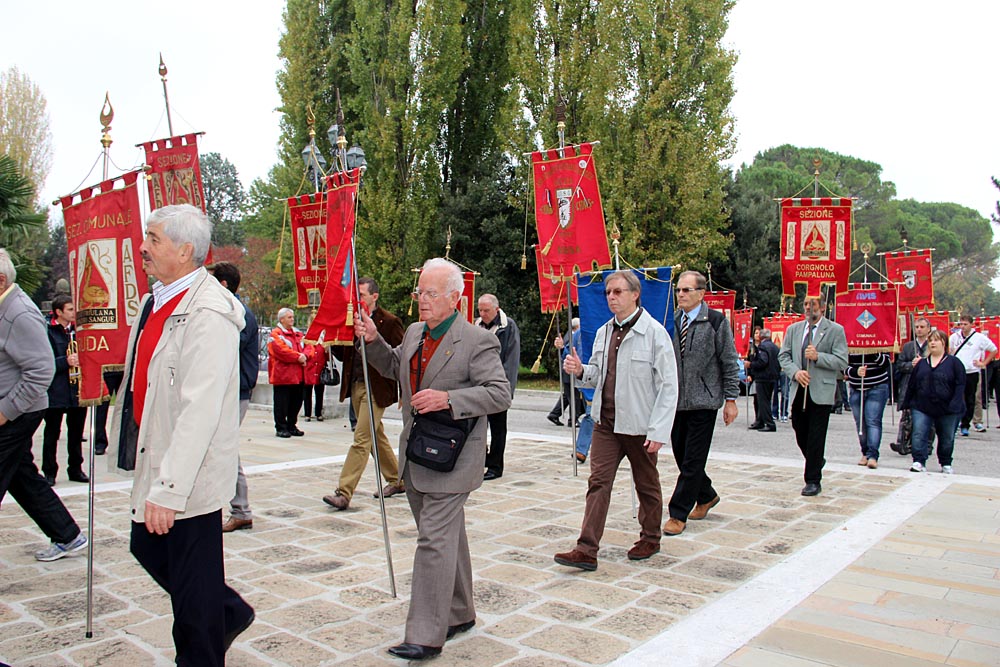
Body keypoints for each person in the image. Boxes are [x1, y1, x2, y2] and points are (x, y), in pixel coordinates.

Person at [106, 205, 254, 663]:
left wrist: (170, 489)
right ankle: (225, 612)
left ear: (185, 251)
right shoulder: (155, 300)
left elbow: (200, 410)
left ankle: (209, 638)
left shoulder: (207, 313)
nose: (143, 247)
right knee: (151, 548)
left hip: (190, 471)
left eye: (153, 239)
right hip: (159, 453)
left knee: (192, 593)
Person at [358, 258, 511, 661]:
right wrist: (373, 341)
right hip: (417, 455)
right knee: (446, 538)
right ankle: (460, 612)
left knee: (432, 542)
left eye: (431, 293)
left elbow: (500, 393)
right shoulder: (414, 332)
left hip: (455, 459)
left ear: (455, 298)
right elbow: (396, 368)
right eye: (420, 292)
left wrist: (449, 399)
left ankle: (425, 635)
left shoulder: (476, 340)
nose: (422, 300)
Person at [553, 270, 677, 569]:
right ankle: (586, 549)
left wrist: (659, 430)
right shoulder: (604, 332)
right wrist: (580, 370)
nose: (611, 297)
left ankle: (650, 537)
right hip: (605, 423)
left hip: (639, 425)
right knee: (598, 482)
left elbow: (668, 386)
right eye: (608, 292)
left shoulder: (654, 333)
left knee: (646, 483)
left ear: (635, 294)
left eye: (618, 292)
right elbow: (597, 374)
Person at [0, 249, 88, 562]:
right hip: (13, 408)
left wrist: (5, 412)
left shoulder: (19, 313)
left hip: (17, 411)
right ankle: (68, 535)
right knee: (21, 477)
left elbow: (41, 370)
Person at [663, 270, 738, 536]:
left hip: (704, 401)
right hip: (677, 401)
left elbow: (729, 361)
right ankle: (706, 495)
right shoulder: (671, 322)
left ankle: (678, 513)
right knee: (682, 455)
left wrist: (731, 400)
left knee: (693, 459)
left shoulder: (716, 322)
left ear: (701, 293)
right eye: (678, 290)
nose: (680, 294)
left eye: (686, 290)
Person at [323, 276, 405, 511]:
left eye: (361, 295)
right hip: (356, 385)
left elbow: (401, 358)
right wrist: (333, 337)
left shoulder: (390, 322)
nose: (356, 299)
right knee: (374, 435)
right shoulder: (352, 319)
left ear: (374, 296)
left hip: (377, 388)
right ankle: (397, 479)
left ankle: (344, 492)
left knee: (361, 439)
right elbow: (345, 355)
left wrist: (403, 391)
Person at [778, 294, 848, 496]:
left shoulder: (835, 330)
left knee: (816, 435)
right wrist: (795, 372)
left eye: (813, 304)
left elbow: (841, 361)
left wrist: (819, 357)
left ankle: (813, 480)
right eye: (806, 304)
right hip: (799, 388)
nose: (809, 307)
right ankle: (816, 459)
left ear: (823, 307)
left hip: (821, 390)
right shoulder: (794, 329)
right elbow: (784, 355)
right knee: (799, 429)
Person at [208, 261, 260, 534]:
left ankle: (241, 510)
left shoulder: (238, 314)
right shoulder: (229, 310)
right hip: (227, 389)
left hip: (235, 390)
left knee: (224, 448)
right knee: (220, 447)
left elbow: (223, 346)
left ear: (223, 284)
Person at [900, 328, 965, 474]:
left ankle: (946, 462)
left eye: (936, 340)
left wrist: (956, 403)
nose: (933, 343)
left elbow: (960, 384)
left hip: (947, 407)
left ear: (944, 343)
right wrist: (906, 403)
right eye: (930, 341)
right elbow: (912, 384)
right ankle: (918, 460)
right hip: (922, 405)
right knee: (919, 432)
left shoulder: (954, 363)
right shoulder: (922, 363)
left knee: (947, 437)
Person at [41, 294, 89, 485]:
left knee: (76, 434)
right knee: (51, 434)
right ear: (58, 312)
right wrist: (65, 361)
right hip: (56, 390)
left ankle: (75, 469)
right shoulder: (47, 332)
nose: (73, 312)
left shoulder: (80, 331)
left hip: (77, 390)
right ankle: (49, 471)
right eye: (69, 309)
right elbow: (43, 362)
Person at [476, 293, 520, 480]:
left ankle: (495, 466)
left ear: (497, 309)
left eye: (486, 310)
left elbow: (512, 359)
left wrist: (507, 389)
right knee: (477, 426)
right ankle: (480, 460)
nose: (483, 314)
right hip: (478, 384)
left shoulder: (508, 326)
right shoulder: (477, 325)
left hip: (498, 384)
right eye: (480, 310)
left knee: (498, 428)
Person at [948, 314, 996, 437]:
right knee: (957, 398)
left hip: (972, 371)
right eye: (961, 324)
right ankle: (956, 422)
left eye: (965, 324)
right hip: (957, 372)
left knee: (971, 398)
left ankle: (966, 424)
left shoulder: (979, 338)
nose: (963, 327)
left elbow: (993, 349)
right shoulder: (954, 337)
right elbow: (949, 351)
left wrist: (983, 363)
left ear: (971, 325)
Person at [845, 352, 892, 469]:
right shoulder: (849, 343)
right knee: (860, 422)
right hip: (856, 387)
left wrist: (873, 353)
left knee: (873, 421)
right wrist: (854, 372)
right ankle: (865, 452)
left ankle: (873, 455)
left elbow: (886, 362)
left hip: (877, 386)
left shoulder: (879, 343)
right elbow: (842, 364)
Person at [268, 307, 308, 438]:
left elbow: (309, 346)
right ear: (282, 319)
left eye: (292, 317)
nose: (292, 319)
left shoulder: (298, 334)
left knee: (296, 402)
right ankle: (281, 427)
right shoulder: (275, 334)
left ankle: (291, 425)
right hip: (283, 376)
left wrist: (305, 356)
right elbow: (281, 351)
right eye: (289, 317)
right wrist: (298, 357)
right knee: (281, 403)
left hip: (298, 375)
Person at [894, 317, 931, 453]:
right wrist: (911, 365)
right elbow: (900, 365)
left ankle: (927, 445)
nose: (919, 330)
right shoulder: (908, 346)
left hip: (927, 385)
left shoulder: (932, 344)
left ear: (928, 329)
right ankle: (903, 442)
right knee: (907, 416)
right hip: (909, 384)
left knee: (927, 416)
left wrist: (923, 364)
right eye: (917, 327)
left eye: (922, 327)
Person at [547, 318, 584, 426]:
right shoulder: (572, 337)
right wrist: (562, 347)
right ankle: (573, 419)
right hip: (569, 372)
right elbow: (567, 353)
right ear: (577, 327)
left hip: (570, 372)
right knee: (574, 397)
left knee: (568, 397)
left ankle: (555, 414)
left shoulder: (571, 335)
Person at [748, 328, 779, 432]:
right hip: (772, 376)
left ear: (761, 336)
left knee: (763, 401)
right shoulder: (775, 347)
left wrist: (751, 364)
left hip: (763, 376)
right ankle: (760, 421)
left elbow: (763, 361)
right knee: (765, 400)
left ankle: (769, 423)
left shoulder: (763, 347)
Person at [302, 343, 327, 422]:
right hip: (308, 371)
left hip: (319, 371)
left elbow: (327, 358)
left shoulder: (323, 344)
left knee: (319, 393)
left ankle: (318, 413)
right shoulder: (307, 343)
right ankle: (307, 414)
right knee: (307, 393)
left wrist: (327, 351)